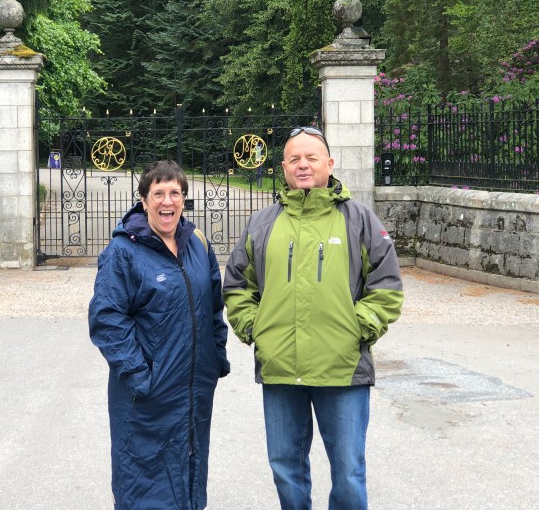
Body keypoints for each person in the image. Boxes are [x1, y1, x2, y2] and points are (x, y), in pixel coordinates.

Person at [223, 127, 404, 510]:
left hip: (342, 369)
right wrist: (256, 329)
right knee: (286, 469)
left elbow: (386, 284)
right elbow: (237, 284)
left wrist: (358, 328)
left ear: (329, 164)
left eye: (311, 158)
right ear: (283, 167)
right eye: (294, 159)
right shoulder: (261, 224)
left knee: (349, 474)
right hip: (280, 369)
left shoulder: (360, 220)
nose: (302, 165)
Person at [88, 159, 231, 510]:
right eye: (158, 193)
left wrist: (216, 358)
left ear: (183, 199)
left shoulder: (198, 244)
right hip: (147, 397)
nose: (167, 201)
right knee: (144, 482)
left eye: (175, 193)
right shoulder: (123, 252)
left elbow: (214, 306)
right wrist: (140, 376)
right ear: (143, 200)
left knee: (190, 469)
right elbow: (107, 318)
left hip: (194, 390)